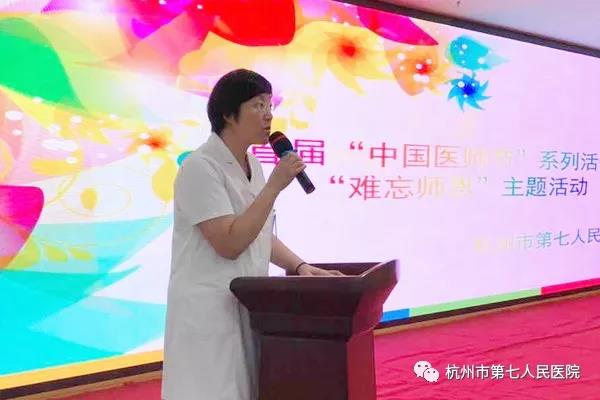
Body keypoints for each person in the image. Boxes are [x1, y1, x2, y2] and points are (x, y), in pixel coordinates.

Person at [161, 69, 343, 400]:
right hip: (207, 308)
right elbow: (229, 243)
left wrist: (300, 266)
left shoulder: (253, 165)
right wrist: (274, 186)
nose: (269, 115)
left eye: (270, 105)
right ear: (228, 114)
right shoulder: (200, 167)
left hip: (246, 304)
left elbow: (257, 232)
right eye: (258, 105)